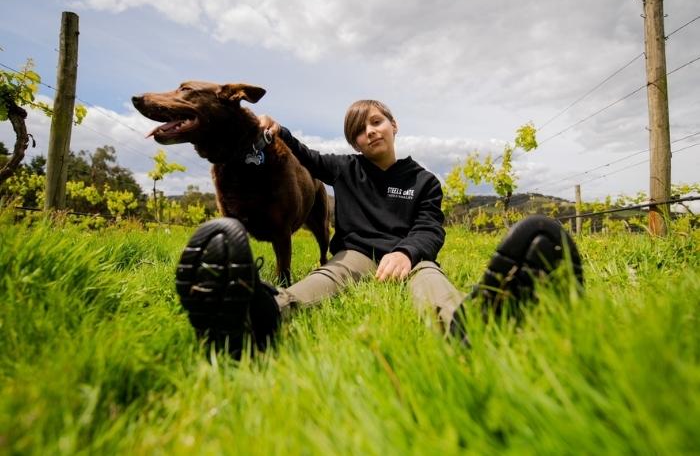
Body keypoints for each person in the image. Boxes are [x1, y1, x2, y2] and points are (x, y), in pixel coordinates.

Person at [175, 100, 583, 356]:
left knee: (430, 278)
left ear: (392, 125)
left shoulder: (424, 181)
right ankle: (260, 315)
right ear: (354, 143)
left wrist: (407, 253)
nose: (368, 131)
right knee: (331, 274)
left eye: (374, 122)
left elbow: (430, 230)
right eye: (358, 130)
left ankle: (471, 323)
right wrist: (278, 130)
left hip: (410, 256)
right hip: (355, 255)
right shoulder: (345, 169)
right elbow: (308, 157)